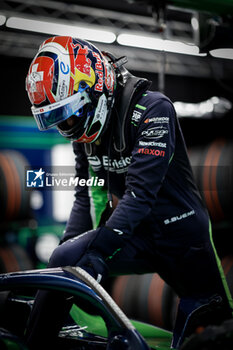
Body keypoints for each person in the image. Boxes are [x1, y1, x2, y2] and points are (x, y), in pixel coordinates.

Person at [25, 36, 232, 349]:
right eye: (59, 119)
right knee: (64, 258)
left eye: (69, 115)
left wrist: (97, 252)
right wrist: (68, 256)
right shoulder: (84, 134)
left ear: (94, 87)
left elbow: (140, 195)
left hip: (183, 237)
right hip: (137, 234)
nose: (68, 126)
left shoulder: (155, 109)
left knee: (217, 325)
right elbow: (87, 193)